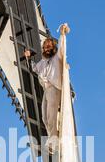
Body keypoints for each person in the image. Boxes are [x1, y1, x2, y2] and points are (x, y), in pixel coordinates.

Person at [24, 23, 70, 153]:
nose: (46, 48)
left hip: (54, 89)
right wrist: (28, 57)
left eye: (48, 46)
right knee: (45, 117)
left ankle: (53, 143)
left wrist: (62, 34)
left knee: (51, 117)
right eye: (45, 47)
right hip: (47, 90)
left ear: (52, 48)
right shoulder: (43, 63)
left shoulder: (57, 58)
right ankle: (54, 138)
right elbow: (33, 68)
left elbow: (62, 47)